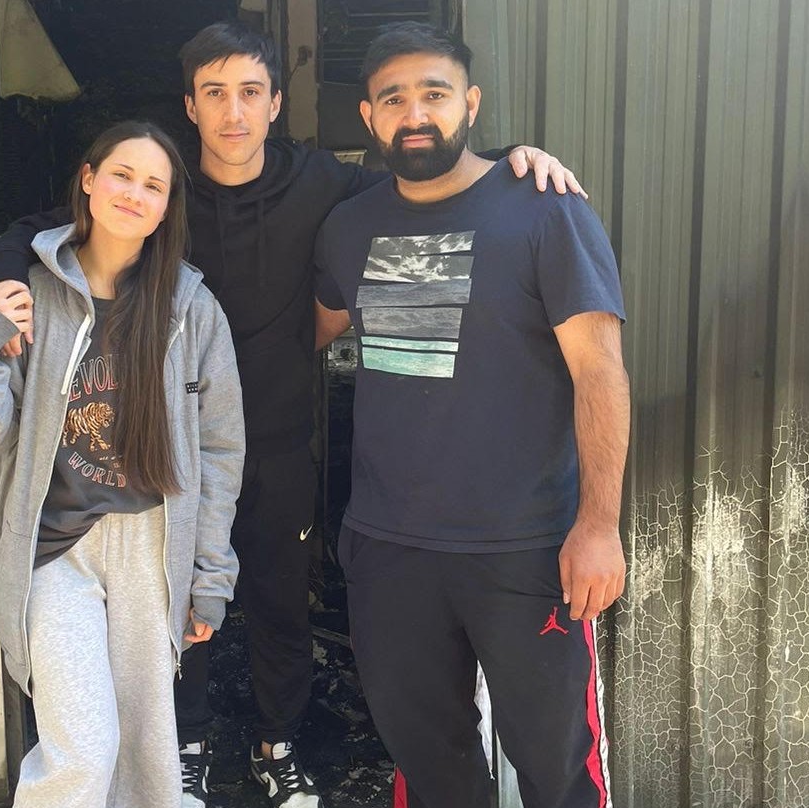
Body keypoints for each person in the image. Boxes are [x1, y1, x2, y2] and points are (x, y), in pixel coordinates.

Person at [0, 22, 583, 808]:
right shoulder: (160, 187)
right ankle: (183, 743)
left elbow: (429, 164)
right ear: (190, 107)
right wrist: (1, 280)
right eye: (216, 94)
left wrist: (515, 159)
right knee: (181, 599)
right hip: (164, 449)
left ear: (275, 104)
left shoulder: (326, 182)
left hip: (280, 433)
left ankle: (277, 744)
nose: (234, 113)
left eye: (251, 93)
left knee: (278, 595)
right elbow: (37, 233)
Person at [312, 22, 629, 808]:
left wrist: (598, 526)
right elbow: (297, 339)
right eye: (394, 98)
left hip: (526, 550)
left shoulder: (545, 209)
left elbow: (599, 374)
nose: (415, 112)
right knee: (429, 764)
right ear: (369, 116)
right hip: (389, 551)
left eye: (434, 94)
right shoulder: (348, 228)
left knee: (558, 770)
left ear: (470, 104)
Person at [0, 120, 245, 808]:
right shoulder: (32, 290)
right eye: (121, 174)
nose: (134, 194)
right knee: (82, 749)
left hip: (150, 548)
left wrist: (211, 574)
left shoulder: (191, 309)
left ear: (168, 206)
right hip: (56, 550)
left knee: (146, 750)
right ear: (88, 179)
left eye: (153, 185)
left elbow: (221, 449)